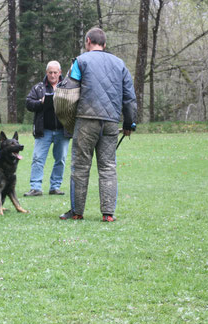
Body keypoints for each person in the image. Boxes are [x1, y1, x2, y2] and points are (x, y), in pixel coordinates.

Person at [60, 27, 137, 222]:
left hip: (86, 120)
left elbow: (69, 91)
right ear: (104, 44)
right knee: (108, 167)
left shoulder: (81, 61)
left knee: (80, 167)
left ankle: (77, 212)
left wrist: (67, 120)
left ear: (88, 41)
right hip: (111, 121)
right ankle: (108, 214)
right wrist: (128, 124)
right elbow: (129, 98)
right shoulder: (120, 64)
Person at [23, 61, 71, 197]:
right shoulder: (38, 88)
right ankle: (36, 187)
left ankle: (55, 187)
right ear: (46, 73)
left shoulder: (67, 87)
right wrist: (40, 102)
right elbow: (28, 103)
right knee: (38, 158)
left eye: (55, 72)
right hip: (43, 130)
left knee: (60, 159)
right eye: (50, 72)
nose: (53, 75)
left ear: (60, 73)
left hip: (62, 130)